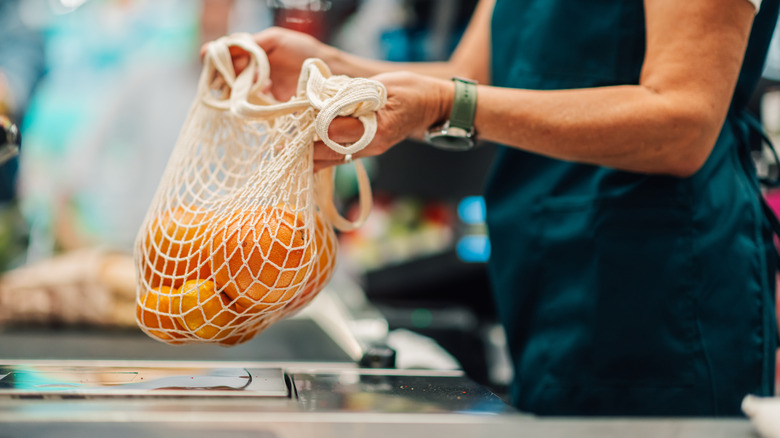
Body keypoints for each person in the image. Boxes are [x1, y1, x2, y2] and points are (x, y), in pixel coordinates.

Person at [225, 0, 779, 415]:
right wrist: (330, 68)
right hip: (544, 280)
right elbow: (476, 80)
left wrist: (445, 106)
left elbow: (682, 124)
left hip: (664, 298)